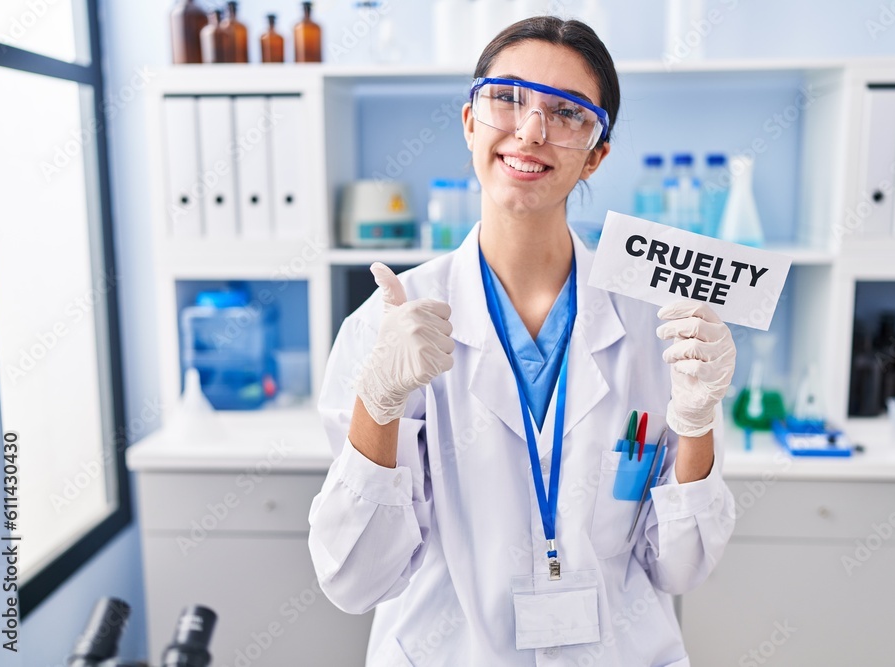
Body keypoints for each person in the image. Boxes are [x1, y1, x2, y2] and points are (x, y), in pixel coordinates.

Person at [309, 16, 737, 666]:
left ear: (596, 152)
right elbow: (355, 578)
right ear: (469, 122)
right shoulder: (389, 321)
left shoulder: (659, 324)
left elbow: (679, 567)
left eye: (567, 112)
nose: (531, 129)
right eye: (506, 98)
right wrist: (380, 399)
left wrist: (698, 420)